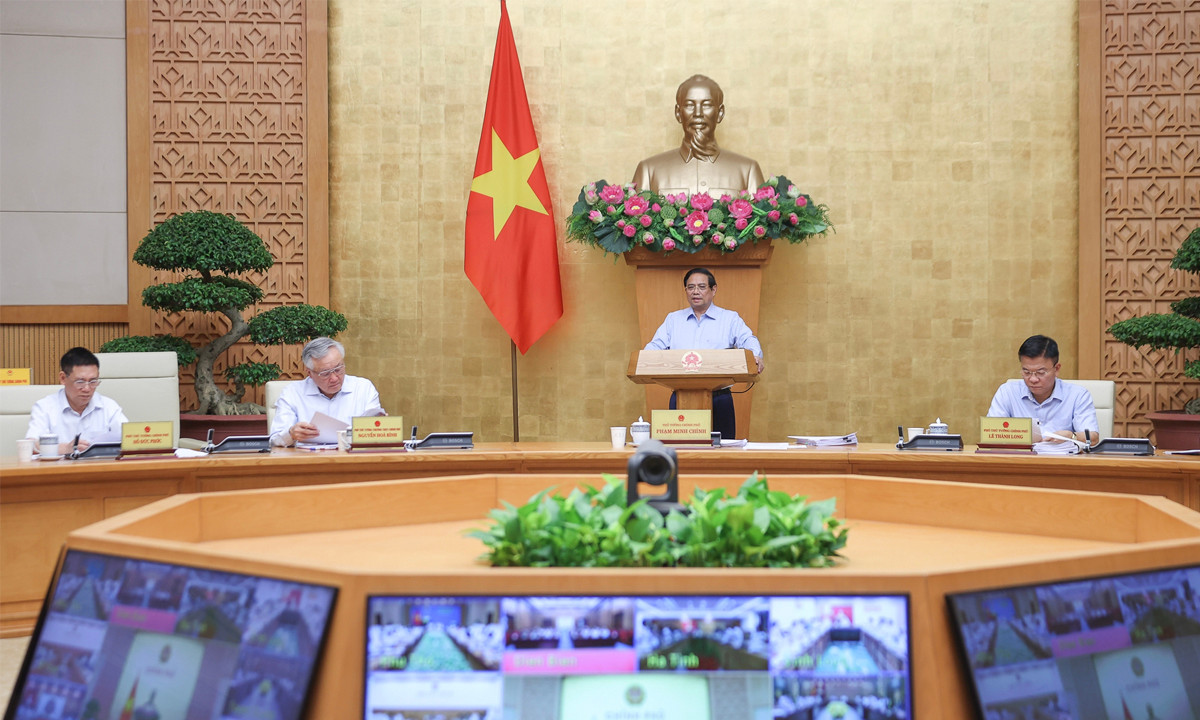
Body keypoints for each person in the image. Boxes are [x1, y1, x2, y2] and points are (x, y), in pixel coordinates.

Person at [645, 267, 764, 440]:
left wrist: (755, 355)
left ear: (713, 290)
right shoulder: (673, 319)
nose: (695, 292)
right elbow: (655, 346)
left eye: (701, 287)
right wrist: (644, 359)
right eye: (691, 287)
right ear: (685, 290)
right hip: (680, 396)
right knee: (681, 450)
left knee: (721, 451)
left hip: (719, 398)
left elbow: (748, 339)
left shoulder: (729, 318)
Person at [632, 74, 766, 198]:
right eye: (689, 105)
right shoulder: (649, 171)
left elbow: (762, 214)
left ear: (720, 113)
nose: (697, 113)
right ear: (678, 113)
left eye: (706, 105)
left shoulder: (748, 171)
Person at [269, 337, 385, 447]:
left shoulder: (363, 389)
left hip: (351, 458)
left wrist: (379, 427)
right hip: (308, 458)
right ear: (309, 373)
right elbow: (274, 440)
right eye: (325, 373)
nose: (334, 378)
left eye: (338, 369)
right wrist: (291, 434)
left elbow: (375, 434)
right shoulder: (292, 393)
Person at [987, 335, 1099, 446]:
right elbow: (991, 434)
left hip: (1060, 457)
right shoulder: (1007, 392)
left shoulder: (1077, 395)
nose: (1033, 379)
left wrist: (1071, 436)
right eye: (1026, 372)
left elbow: (1093, 438)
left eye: (1041, 373)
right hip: (1021, 457)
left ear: (1056, 369)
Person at [26, 347, 128, 456]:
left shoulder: (109, 406)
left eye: (93, 381)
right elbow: (30, 446)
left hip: (99, 465)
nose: (87, 388)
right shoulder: (44, 407)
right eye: (80, 382)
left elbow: (129, 439)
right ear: (63, 378)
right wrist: (65, 448)